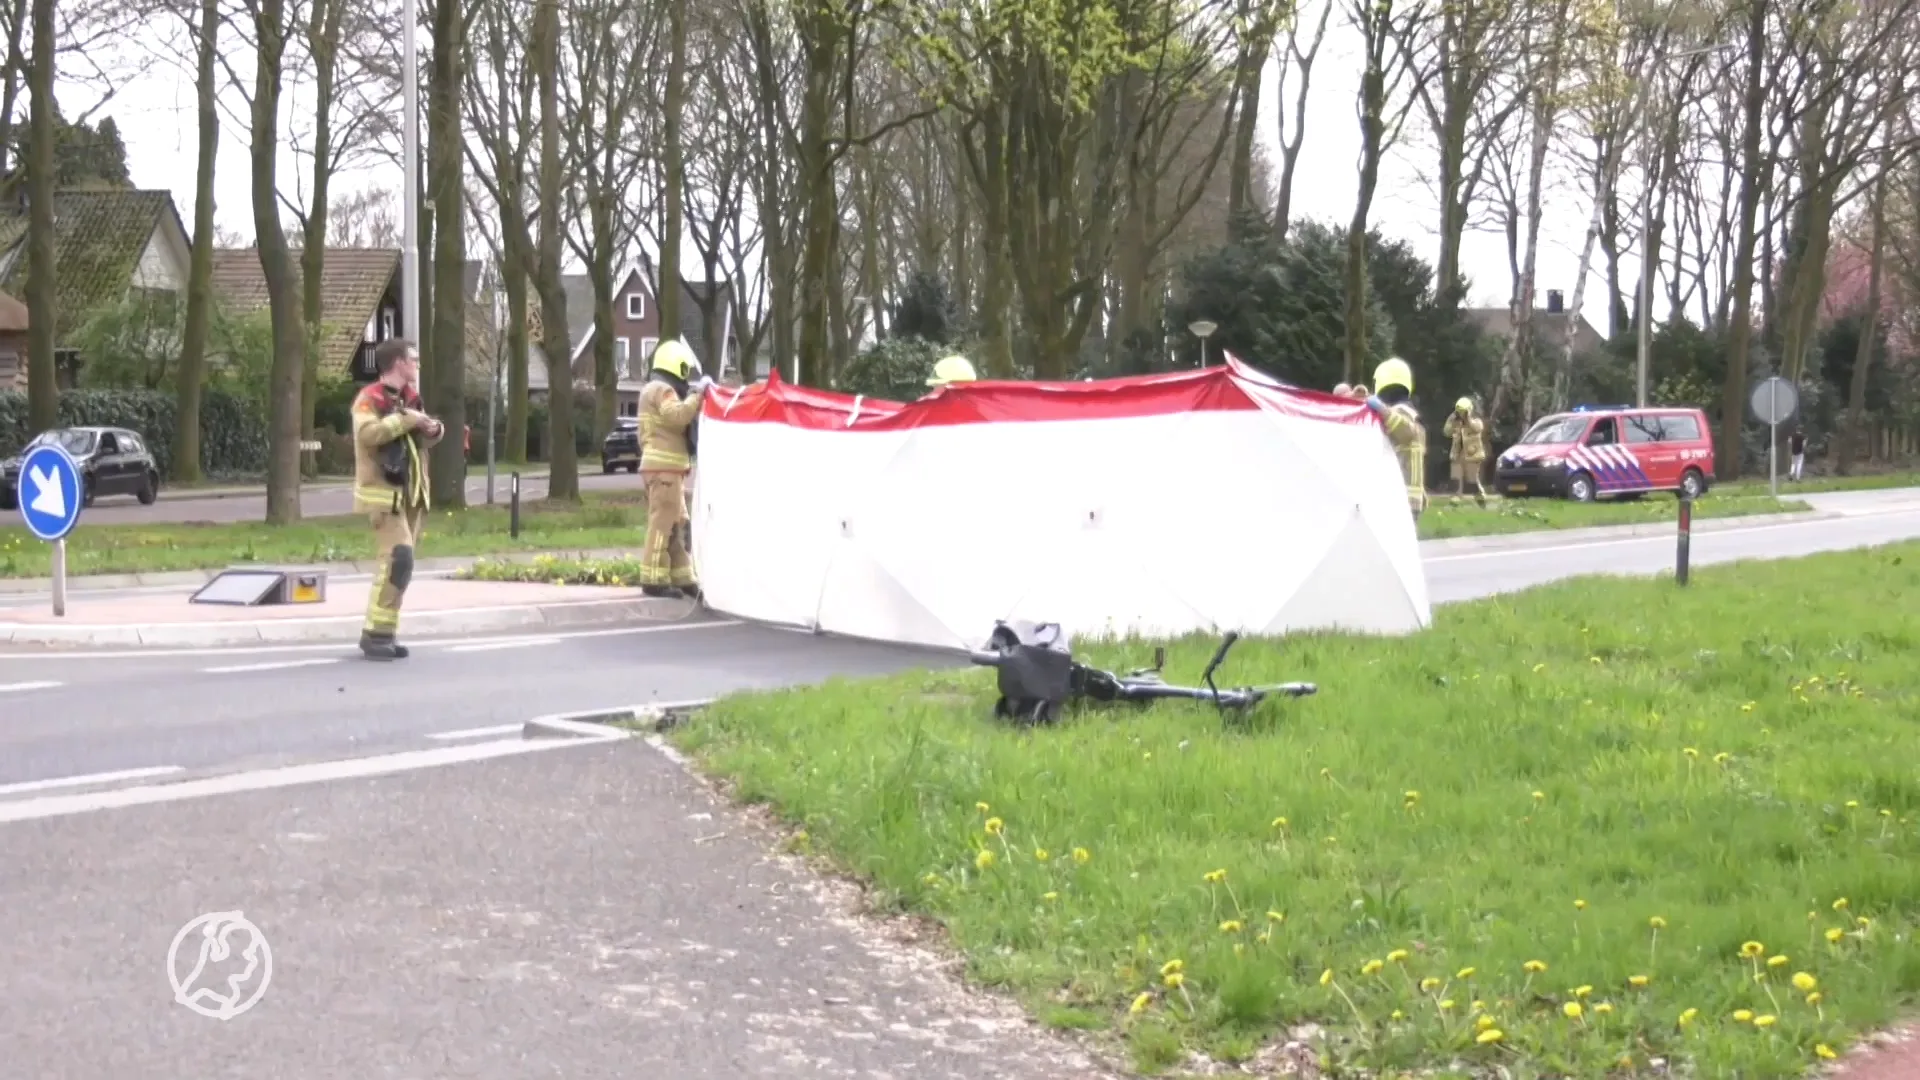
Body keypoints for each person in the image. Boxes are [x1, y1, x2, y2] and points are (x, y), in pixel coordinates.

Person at [351, 339, 444, 660]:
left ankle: (383, 633)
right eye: (414, 360)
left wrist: (432, 430)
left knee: (402, 566)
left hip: (412, 494)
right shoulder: (370, 398)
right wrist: (408, 419)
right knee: (397, 559)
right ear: (399, 363)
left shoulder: (410, 398)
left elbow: (418, 443)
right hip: (384, 497)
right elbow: (368, 436)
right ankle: (376, 635)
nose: (417, 365)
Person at [638, 338, 710, 600]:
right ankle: (652, 579)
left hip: (667, 470)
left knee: (676, 525)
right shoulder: (663, 390)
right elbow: (677, 416)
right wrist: (697, 396)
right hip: (665, 470)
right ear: (677, 366)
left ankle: (683, 578)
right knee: (662, 524)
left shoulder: (651, 389)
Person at [1364, 357, 1428, 519]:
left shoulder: (1401, 411)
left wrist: (1382, 410)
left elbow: (1405, 431)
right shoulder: (1413, 415)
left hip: (1401, 497)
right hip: (1407, 497)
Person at [1443, 396, 1488, 505]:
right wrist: (1451, 421)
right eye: (1459, 412)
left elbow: (1477, 428)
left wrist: (1468, 419)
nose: (1461, 414)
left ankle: (1480, 496)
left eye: (1463, 412)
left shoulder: (1476, 421)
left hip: (1472, 455)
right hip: (1457, 454)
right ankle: (1456, 496)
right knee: (1455, 476)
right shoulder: (1456, 423)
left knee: (1471, 479)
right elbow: (1447, 432)